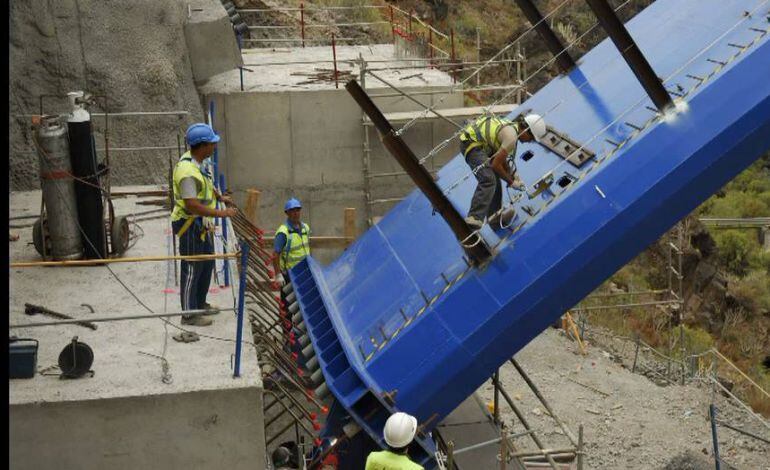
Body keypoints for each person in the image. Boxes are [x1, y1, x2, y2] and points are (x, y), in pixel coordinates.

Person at [171, 123, 237, 327]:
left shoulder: (197, 162)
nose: (215, 146)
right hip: (189, 224)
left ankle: (200, 303)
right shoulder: (187, 172)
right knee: (192, 268)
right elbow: (192, 205)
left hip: (201, 223)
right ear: (202, 146)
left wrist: (219, 196)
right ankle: (189, 314)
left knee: (207, 262)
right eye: (211, 143)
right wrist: (222, 213)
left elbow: (205, 184)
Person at [460, 113, 547, 229]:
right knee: (488, 180)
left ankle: (495, 220)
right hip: (472, 143)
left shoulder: (511, 127)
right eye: (531, 138)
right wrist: (511, 182)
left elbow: (500, 157)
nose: (529, 141)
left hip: (482, 144)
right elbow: (495, 165)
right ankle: (474, 217)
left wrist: (512, 174)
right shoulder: (512, 138)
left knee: (494, 180)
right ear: (526, 130)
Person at [272, 198, 311, 287]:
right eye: (292, 211)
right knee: (289, 300)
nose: (295, 213)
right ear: (287, 213)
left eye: (297, 210)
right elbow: (275, 255)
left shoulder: (305, 228)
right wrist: (278, 274)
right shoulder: (283, 232)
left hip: (305, 273)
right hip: (289, 275)